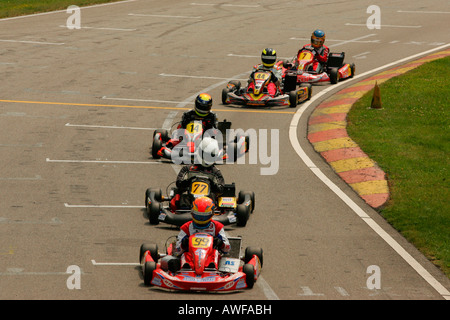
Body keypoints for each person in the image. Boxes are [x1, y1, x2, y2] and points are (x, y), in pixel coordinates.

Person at [170, 137, 225, 211]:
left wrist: (212, 184)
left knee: (213, 196)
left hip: (208, 201)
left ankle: (209, 210)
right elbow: (179, 183)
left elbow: (221, 189)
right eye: (205, 155)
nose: (207, 158)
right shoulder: (188, 169)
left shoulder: (215, 172)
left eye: (210, 156)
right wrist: (189, 181)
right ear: (200, 152)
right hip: (190, 199)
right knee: (183, 196)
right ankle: (185, 211)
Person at [157, 93, 218, 157]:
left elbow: (215, 130)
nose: (202, 109)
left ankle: (202, 150)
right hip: (187, 137)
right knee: (176, 137)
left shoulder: (212, 116)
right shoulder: (188, 114)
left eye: (205, 107)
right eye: (201, 106)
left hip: (205, 139)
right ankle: (184, 147)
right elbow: (181, 127)